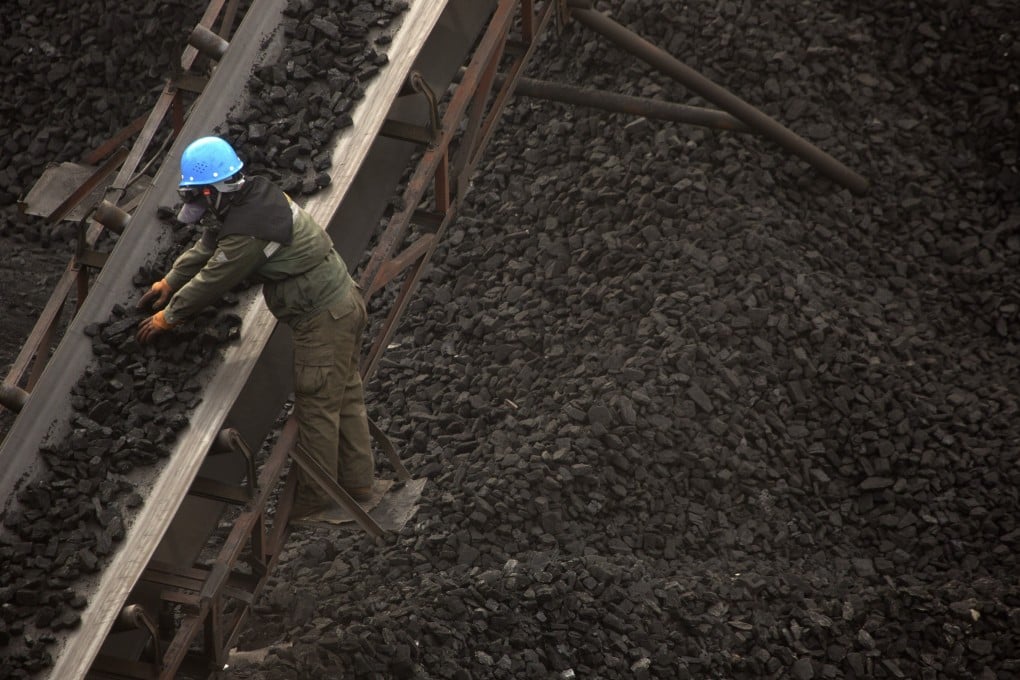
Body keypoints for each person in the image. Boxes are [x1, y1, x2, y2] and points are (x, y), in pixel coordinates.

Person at [136, 135, 375, 517]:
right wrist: (169, 281)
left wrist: (170, 316)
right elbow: (206, 246)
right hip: (340, 303)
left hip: (324, 318)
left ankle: (315, 502)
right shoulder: (252, 195)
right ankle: (360, 484)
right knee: (344, 394)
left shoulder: (250, 230)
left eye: (198, 197)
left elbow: (216, 277)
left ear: (214, 191)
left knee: (317, 406)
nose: (197, 207)